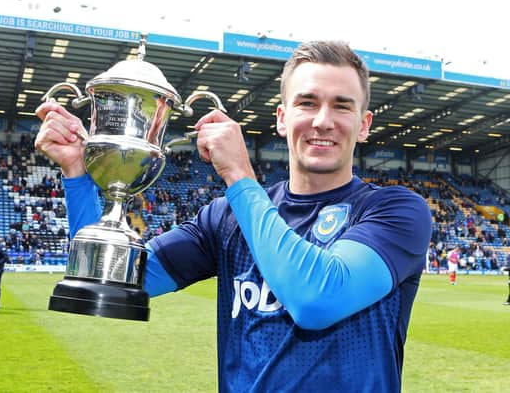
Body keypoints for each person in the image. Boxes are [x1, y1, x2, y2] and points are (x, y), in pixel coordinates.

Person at [34, 40, 432, 392]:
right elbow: (109, 277)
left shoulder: (395, 210)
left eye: (341, 106)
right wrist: (78, 175)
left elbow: (317, 299)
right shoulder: (225, 218)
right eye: (307, 103)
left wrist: (239, 175)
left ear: (363, 125)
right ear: (281, 117)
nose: (322, 121)